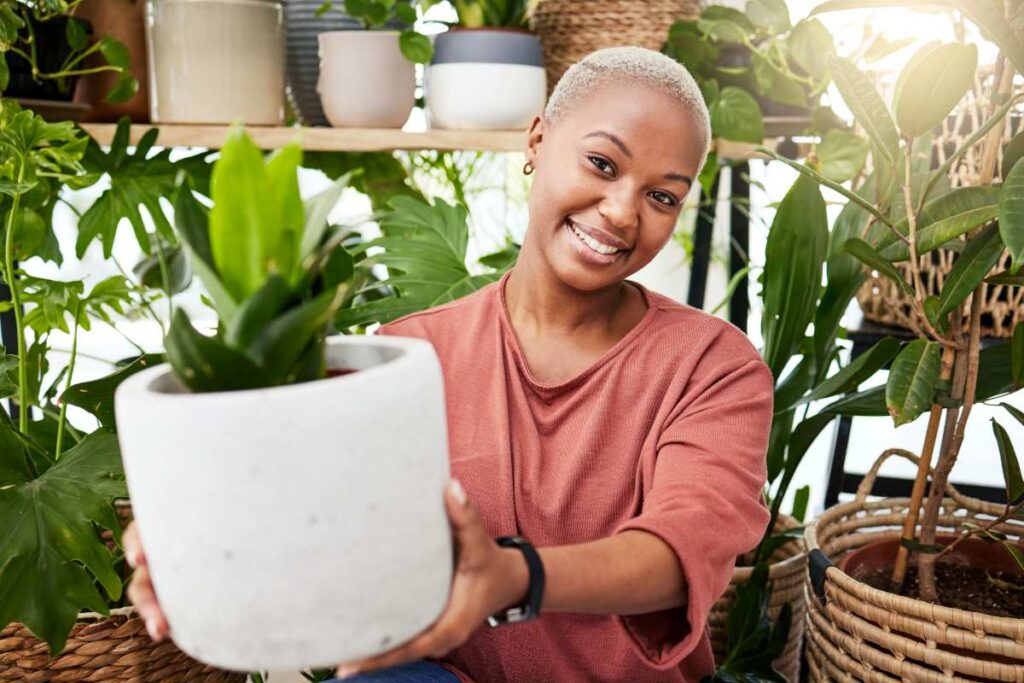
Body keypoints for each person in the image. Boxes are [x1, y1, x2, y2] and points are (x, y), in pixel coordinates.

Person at [123, 46, 774, 683]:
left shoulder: (714, 367)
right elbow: (320, 521)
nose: (623, 210)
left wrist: (515, 576)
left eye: (663, 197)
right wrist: (196, 544)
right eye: (603, 163)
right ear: (538, 142)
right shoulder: (407, 356)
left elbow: (679, 548)